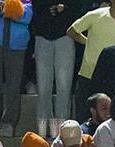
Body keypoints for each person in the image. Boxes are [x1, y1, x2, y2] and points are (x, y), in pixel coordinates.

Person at [0, 0, 33, 138]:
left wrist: (14, 9)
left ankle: (9, 122)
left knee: (14, 85)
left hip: (16, 42)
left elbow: (29, 14)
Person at [68, 0, 115, 121]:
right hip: (89, 77)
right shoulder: (95, 15)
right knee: (84, 119)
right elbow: (72, 31)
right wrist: (88, 42)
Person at [32, 0, 82, 138]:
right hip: (42, 36)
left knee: (64, 88)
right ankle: (42, 133)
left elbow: (78, 9)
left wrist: (64, 8)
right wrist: (49, 10)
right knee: (43, 89)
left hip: (66, 36)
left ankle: (61, 133)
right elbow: (35, 8)